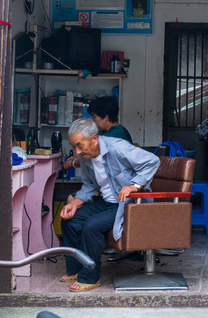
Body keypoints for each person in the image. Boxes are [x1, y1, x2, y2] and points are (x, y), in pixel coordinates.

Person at [59, 118, 159, 291]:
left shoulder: (118, 148)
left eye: (79, 145)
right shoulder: (86, 155)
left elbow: (152, 161)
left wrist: (135, 185)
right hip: (108, 203)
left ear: (94, 139)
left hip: (127, 205)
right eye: (74, 146)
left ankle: (90, 277)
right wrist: (74, 203)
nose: (77, 151)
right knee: (70, 220)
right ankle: (76, 269)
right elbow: (90, 186)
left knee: (92, 226)